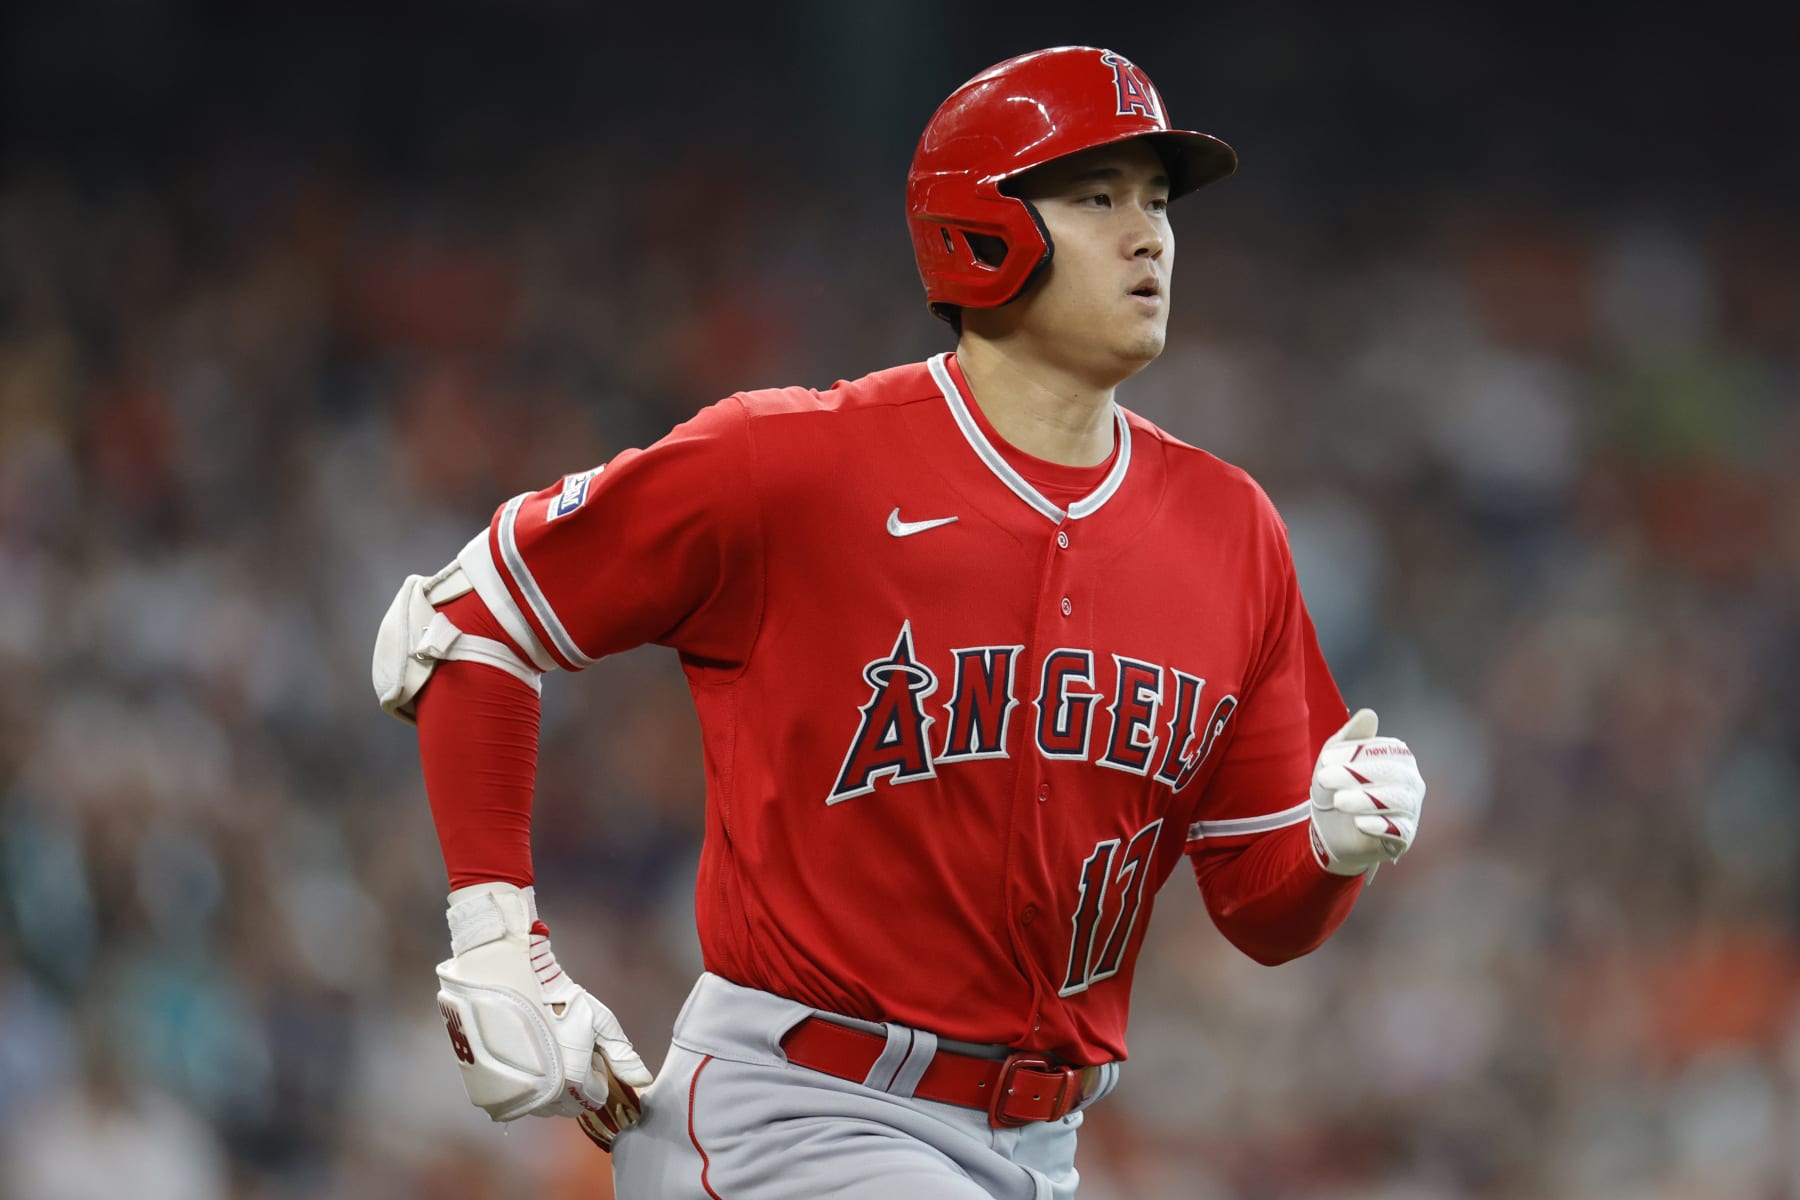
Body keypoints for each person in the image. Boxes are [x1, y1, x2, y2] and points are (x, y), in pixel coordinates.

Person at [373, 45, 1427, 1200]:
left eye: (1159, 201)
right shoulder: (793, 462)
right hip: (801, 1117)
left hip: (1044, 1149)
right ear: (982, 229)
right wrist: (494, 937)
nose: (1150, 235)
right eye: (1097, 197)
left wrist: (1335, 851)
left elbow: (1262, 911)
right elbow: (466, 618)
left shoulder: (1233, 530)